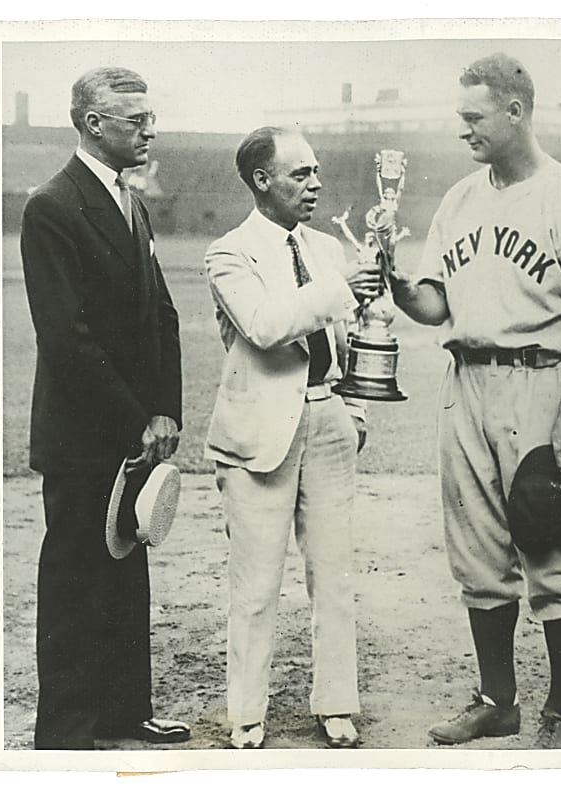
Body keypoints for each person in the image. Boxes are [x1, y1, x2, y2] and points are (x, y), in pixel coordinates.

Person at [390, 53, 561, 749]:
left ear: (515, 112)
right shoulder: (460, 199)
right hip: (466, 383)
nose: (462, 129)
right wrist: (399, 286)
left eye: (472, 116)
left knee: (551, 543)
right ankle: (498, 699)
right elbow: (436, 303)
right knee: (479, 551)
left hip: (542, 382)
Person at [20, 66, 188, 750]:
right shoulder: (53, 207)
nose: (150, 129)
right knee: (74, 577)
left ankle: (124, 712)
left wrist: (167, 412)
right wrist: (134, 419)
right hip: (82, 435)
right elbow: (67, 338)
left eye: (150, 117)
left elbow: (163, 316)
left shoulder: (129, 200)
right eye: (135, 120)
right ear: (94, 124)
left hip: (137, 430)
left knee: (126, 568)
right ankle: (66, 731)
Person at [204, 126, 381, 749]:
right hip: (259, 433)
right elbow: (264, 326)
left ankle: (336, 705)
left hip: (328, 417)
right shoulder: (228, 252)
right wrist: (337, 292)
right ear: (261, 181)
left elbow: (352, 339)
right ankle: (247, 713)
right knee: (256, 583)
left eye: (316, 172)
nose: (316, 183)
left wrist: (353, 407)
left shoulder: (327, 247)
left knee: (334, 574)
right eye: (300, 174)